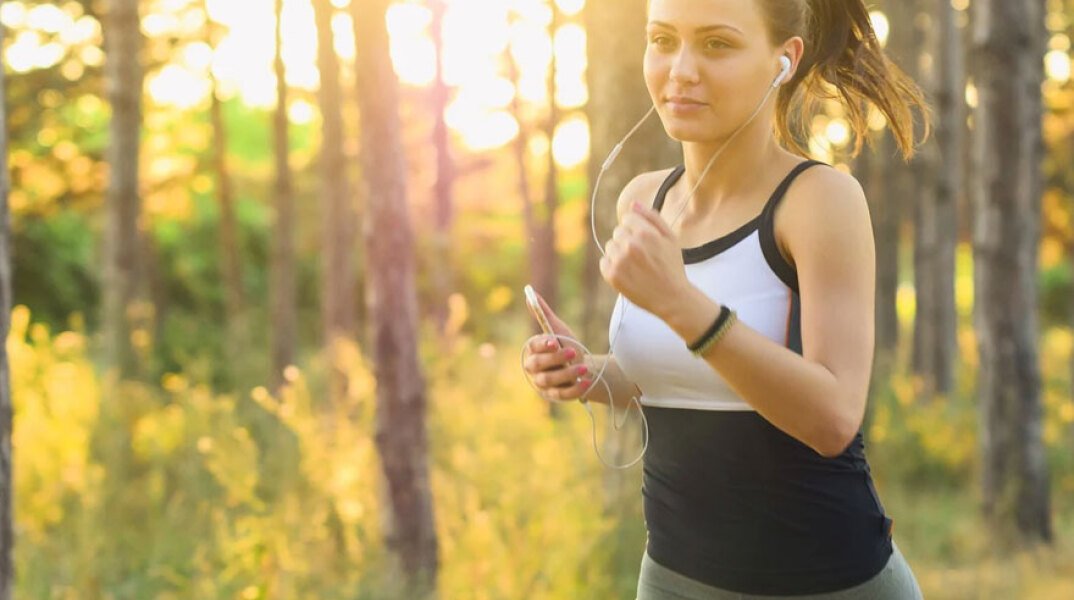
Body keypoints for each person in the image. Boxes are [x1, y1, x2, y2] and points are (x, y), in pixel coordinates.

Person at [521, 0, 931, 597]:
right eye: (662, 40)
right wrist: (587, 373)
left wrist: (685, 307)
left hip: (829, 582)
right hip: (672, 579)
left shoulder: (819, 201)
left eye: (716, 44)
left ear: (783, 60)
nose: (680, 70)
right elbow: (668, 378)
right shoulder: (643, 200)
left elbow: (833, 418)